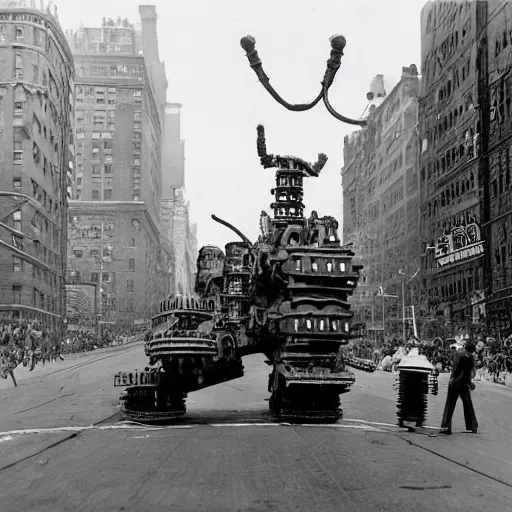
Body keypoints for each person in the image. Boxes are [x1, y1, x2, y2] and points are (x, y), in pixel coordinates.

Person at [440, 341, 478, 434]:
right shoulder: (469, 357)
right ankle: (472, 426)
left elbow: (456, 369)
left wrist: (452, 379)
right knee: (468, 404)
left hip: (457, 382)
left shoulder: (458, 354)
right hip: (463, 382)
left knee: (450, 404)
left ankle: (446, 426)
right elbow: (467, 372)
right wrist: (469, 382)